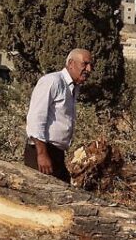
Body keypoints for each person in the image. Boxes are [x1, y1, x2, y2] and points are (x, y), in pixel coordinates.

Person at [24, 48, 93, 182]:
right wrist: (42, 154)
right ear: (71, 63)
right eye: (85, 64)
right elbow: (36, 118)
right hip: (41, 151)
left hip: (56, 153)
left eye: (91, 65)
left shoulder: (73, 87)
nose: (89, 69)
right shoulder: (52, 81)